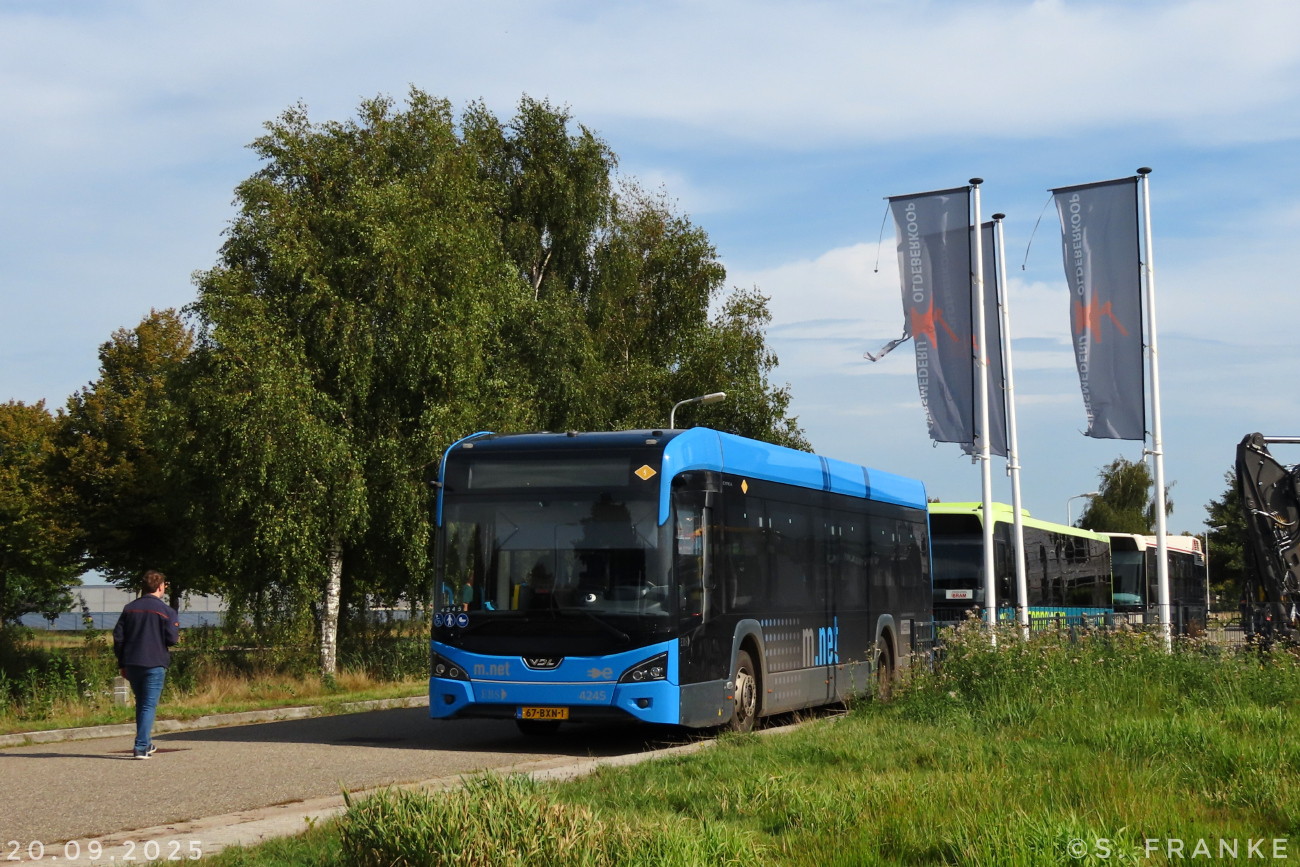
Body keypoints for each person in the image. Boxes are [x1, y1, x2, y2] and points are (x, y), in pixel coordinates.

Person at [112, 570, 179, 759]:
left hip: (132, 662)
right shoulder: (167, 612)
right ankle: (141, 746)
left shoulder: (129, 609)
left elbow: (118, 638)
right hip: (155, 662)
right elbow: (172, 639)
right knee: (149, 704)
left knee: (142, 703)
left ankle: (146, 742)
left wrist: (122, 662)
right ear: (160, 587)